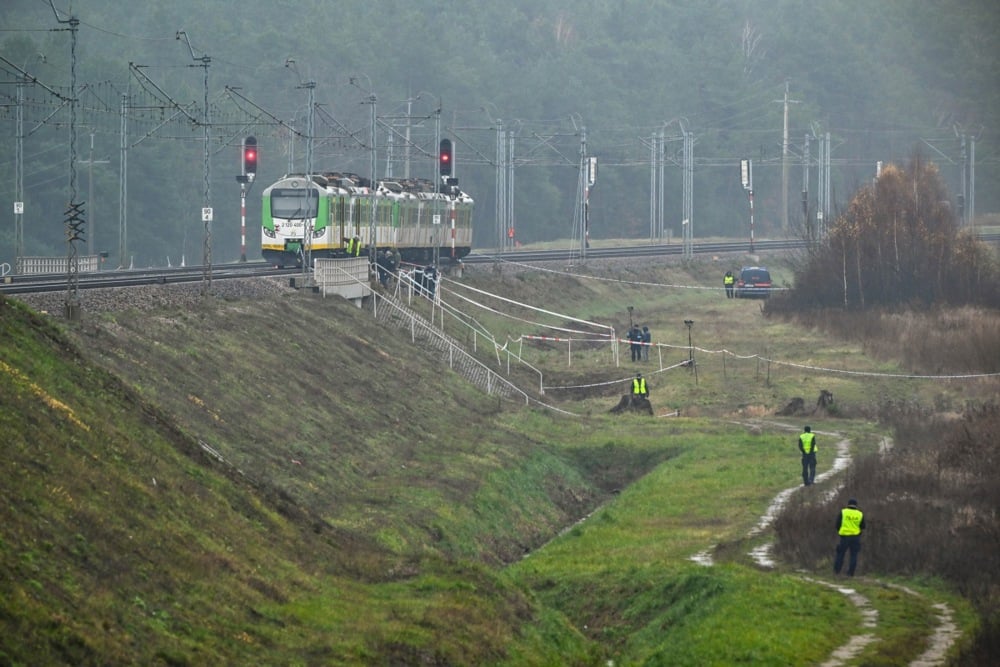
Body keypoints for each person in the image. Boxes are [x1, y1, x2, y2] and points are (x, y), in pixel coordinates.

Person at [834, 498, 866, 576]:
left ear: (848, 504)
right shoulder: (860, 514)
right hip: (855, 537)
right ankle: (850, 573)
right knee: (853, 555)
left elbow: (837, 524)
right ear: (856, 505)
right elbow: (863, 526)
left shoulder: (843, 512)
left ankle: (837, 571)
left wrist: (840, 532)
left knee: (840, 554)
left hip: (844, 537)